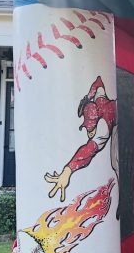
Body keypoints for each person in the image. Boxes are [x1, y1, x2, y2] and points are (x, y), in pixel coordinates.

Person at [44, 75, 118, 207]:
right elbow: (98, 82)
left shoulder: (102, 127)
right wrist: (88, 97)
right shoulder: (100, 100)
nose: (89, 134)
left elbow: (88, 150)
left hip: (126, 121)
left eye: (91, 131)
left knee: (115, 161)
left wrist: (67, 171)